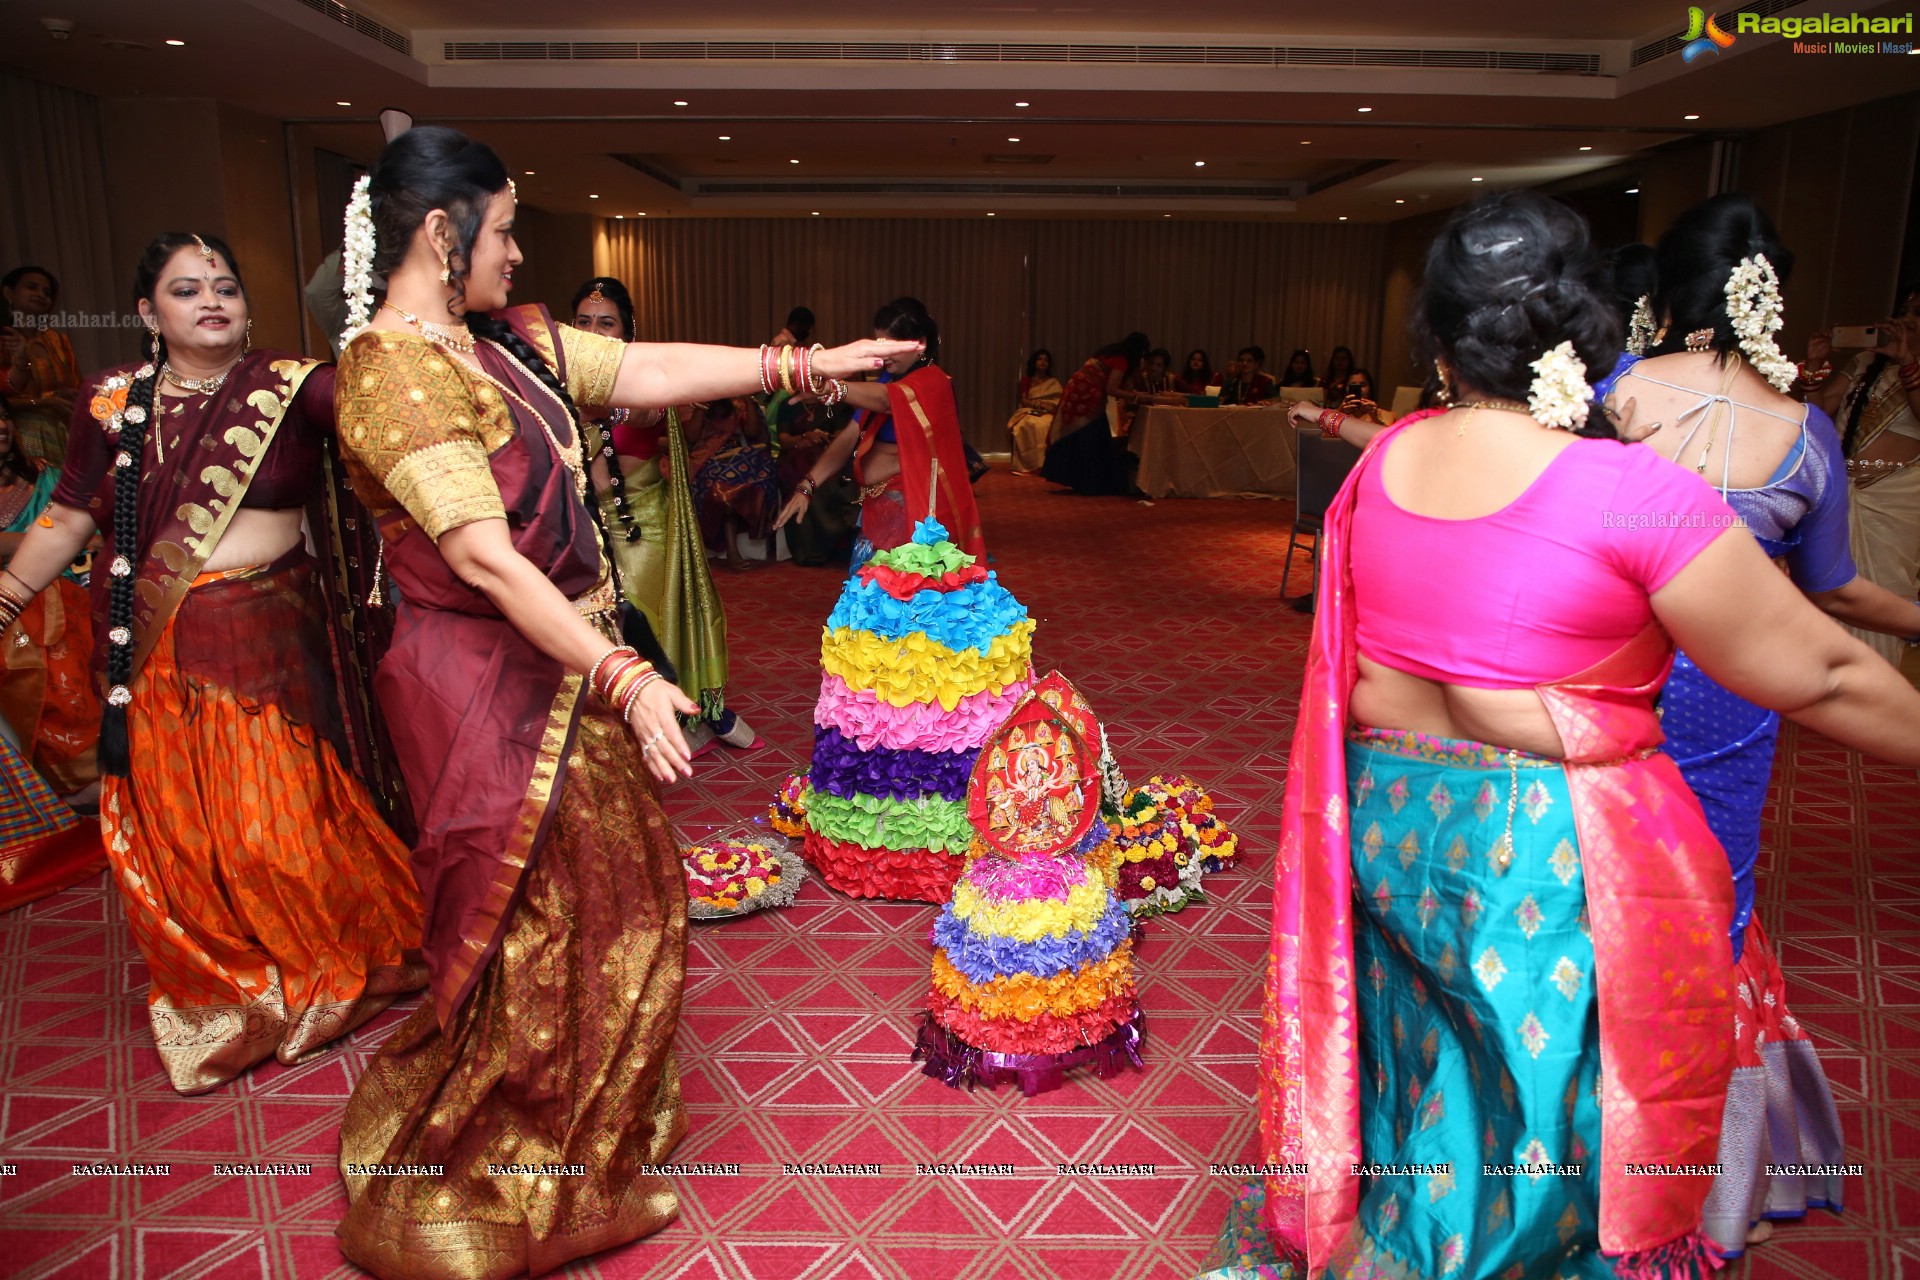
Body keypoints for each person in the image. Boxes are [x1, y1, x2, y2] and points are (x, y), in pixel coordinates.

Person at [1210, 191, 1920, 1280]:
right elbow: (1820, 668)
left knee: (1431, 1063)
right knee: (1553, 1117)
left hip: (1393, 826)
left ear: (1438, 346)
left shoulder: (1388, 467)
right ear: (1588, 328)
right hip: (1541, 852)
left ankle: (1403, 1241)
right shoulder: (1631, 492)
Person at [327, 126, 914, 1279]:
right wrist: (629, 672)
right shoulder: (395, 373)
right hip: (480, 685)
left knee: (619, 897)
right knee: (542, 914)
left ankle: (572, 1144)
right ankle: (503, 1176)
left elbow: (640, 371)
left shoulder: (504, 341)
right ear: (441, 235)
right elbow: (488, 561)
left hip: (563, 659)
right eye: (501, 230)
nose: (514, 251)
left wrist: (803, 364)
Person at [0, 233, 426, 1093]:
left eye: (225, 285)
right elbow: (74, 514)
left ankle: (323, 962)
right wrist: (6, 594)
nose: (210, 301)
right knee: (185, 825)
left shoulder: (296, 388)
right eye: (186, 289)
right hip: (152, 644)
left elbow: (399, 431)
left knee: (279, 820)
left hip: (268, 630)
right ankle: (232, 981)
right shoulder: (110, 397)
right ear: (147, 313)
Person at [1599, 194, 1920, 1255]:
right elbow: (1837, 591)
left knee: (1587, 895)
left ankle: (1574, 1161)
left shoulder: (1614, 397)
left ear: (1666, 292)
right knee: (1710, 917)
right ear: (1770, 301)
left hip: (1613, 690)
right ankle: (1692, 1189)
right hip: (1735, 704)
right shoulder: (1807, 431)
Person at [569, 277, 756, 755]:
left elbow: (642, 411)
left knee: (645, 619)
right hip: (581, 527)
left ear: (627, 333)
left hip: (642, 524)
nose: (594, 331)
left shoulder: (640, 387)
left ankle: (687, 711)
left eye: (606, 323)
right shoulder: (554, 381)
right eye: (584, 322)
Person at [776, 297, 979, 565]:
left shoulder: (934, 383)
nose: (882, 356)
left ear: (920, 344)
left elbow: (887, 399)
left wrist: (834, 389)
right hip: (878, 507)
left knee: (900, 598)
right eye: (879, 345)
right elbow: (849, 436)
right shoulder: (889, 378)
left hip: (912, 514)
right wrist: (807, 484)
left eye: (890, 346)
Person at [1804, 284, 1920, 667]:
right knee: (1826, 590)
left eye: (1917, 314)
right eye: (1905, 310)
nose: (1905, 320)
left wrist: (1908, 366)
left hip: (1892, 502)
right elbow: (1818, 415)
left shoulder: (1906, 368)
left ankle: (1877, 694)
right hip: (1842, 491)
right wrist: (1814, 371)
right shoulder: (1868, 362)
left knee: (1882, 596)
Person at [1040, 332, 1147, 495]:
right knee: (1092, 434)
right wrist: (1135, 396)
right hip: (1088, 396)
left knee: (1084, 435)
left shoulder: (1110, 352)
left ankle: (1080, 479)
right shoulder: (1123, 361)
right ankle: (1090, 481)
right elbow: (1111, 388)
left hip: (1076, 390)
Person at [686, 394, 779, 570]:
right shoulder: (695, 402)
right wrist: (700, 408)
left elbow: (754, 433)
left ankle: (733, 549)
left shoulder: (738, 403)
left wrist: (749, 401)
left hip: (737, 457)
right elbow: (690, 439)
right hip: (705, 459)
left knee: (740, 481)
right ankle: (730, 550)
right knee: (722, 487)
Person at [3, 265, 82, 465]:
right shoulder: (4, 339)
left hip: (63, 433)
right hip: (20, 436)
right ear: (8, 293)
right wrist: (44, 402)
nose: (40, 295)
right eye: (31, 287)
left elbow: (77, 387)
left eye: (46, 292)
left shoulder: (58, 341)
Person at [1008, 347, 1062, 472]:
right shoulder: (1027, 381)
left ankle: (1047, 465)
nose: (1043, 362)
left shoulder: (1053, 382)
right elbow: (1024, 401)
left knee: (1049, 424)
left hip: (1049, 412)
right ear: (1034, 362)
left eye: (1046, 360)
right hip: (1029, 411)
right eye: (1040, 359)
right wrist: (1040, 405)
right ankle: (1030, 465)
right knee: (1027, 425)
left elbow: (1058, 400)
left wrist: (1049, 407)